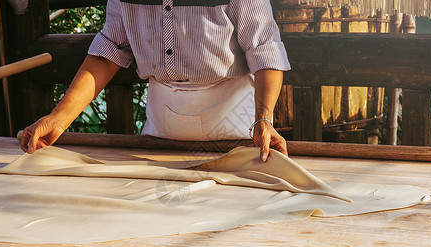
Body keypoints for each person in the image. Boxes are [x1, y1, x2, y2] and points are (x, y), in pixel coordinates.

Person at [21, 0, 291, 162]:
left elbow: (265, 50)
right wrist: (58, 119)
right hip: (159, 134)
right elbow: (109, 52)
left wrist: (263, 120)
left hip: (235, 132)